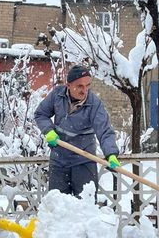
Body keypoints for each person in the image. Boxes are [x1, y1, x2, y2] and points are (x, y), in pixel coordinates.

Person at [35, 65, 121, 197]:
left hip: (84, 161)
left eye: (88, 86)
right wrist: (49, 131)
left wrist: (111, 153)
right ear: (68, 85)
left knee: (85, 208)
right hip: (59, 161)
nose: (84, 90)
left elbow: (104, 130)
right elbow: (41, 114)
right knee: (58, 207)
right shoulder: (57, 96)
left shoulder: (94, 103)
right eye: (80, 86)